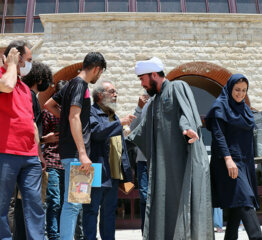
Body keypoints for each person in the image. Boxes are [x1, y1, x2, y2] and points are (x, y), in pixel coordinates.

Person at [128, 57, 213, 240]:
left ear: (153, 75)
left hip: (185, 158)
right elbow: (141, 131)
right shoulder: (154, 101)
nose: (142, 84)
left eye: (142, 79)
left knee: (187, 205)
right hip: (166, 166)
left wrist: (187, 128)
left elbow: (186, 113)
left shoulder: (177, 86)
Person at [0, 40, 45, 239]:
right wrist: (10, 65)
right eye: (27, 60)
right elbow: (7, 86)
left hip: (30, 157)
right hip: (3, 154)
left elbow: (31, 123)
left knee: (35, 207)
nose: (30, 65)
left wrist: (39, 153)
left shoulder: (26, 89)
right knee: (0, 209)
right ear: (15, 58)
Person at [44, 52, 107, 240]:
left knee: (72, 203)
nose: (99, 77)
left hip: (69, 153)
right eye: (100, 72)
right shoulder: (81, 85)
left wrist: (63, 121)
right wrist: (82, 153)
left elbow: (49, 104)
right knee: (73, 204)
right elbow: (74, 116)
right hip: (76, 154)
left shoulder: (71, 83)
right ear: (96, 68)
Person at [205, 74, 262, 240]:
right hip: (227, 162)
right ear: (229, 89)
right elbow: (219, 136)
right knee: (245, 200)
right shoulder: (220, 107)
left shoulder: (244, 109)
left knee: (238, 204)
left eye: (244, 90)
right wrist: (228, 159)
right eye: (237, 90)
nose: (240, 93)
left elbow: (256, 136)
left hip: (245, 162)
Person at [82, 80, 134, 240]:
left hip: (112, 173)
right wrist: (120, 123)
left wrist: (126, 173)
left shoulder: (113, 115)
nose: (116, 95)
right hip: (96, 170)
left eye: (115, 92)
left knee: (109, 212)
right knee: (91, 210)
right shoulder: (91, 112)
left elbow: (119, 146)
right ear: (99, 95)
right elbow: (97, 132)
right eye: (112, 91)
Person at [12, 61, 52, 240]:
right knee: (31, 204)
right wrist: (40, 154)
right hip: (29, 156)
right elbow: (31, 128)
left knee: (21, 204)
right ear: (40, 79)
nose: (49, 85)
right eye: (47, 81)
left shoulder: (24, 94)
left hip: (21, 155)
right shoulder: (30, 97)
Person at [41, 80, 66, 240]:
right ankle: (53, 236)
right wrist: (46, 139)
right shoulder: (48, 113)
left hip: (70, 163)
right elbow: (38, 139)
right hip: (52, 162)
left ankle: (64, 234)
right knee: (54, 202)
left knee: (66, 203)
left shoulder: (73, 113)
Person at [129, 93, 150, 233]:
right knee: (144, 196)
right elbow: (132, 128)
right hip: (142, 160)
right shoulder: (143, 106)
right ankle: (145, 232)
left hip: (160, 161)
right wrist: (139, 107)